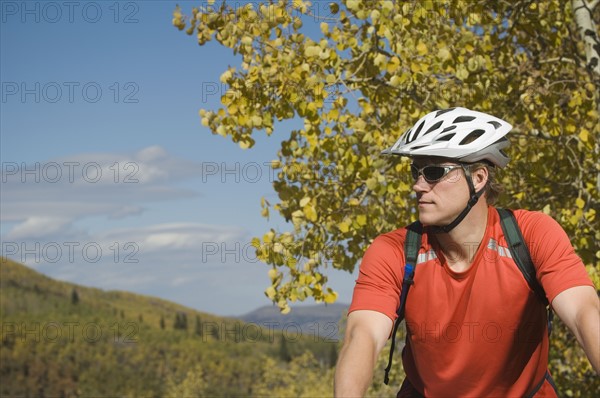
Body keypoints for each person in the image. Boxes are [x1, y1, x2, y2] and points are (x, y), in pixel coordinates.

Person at [334, 107, 599, 397]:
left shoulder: (531, 235)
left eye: (434, 172)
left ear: (479, 177)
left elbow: (584, 313)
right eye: (416, 171)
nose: (418, 185)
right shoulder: (393, 250)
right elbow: (363, 336)